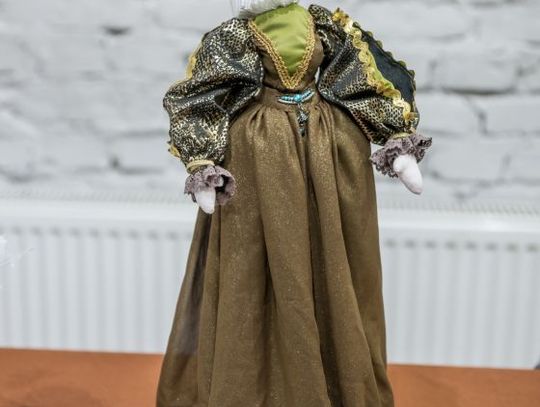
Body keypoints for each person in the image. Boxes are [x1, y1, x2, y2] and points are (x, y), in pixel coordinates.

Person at [157, 1, 432, 406]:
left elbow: (362, 74)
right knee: (254, 258)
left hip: (325, 146)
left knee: (330, 254)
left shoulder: (324, 24)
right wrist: (202, 163)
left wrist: (396, 140)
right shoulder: (235, 36)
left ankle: (336, 380)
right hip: (261, 150)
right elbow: (205, 93)